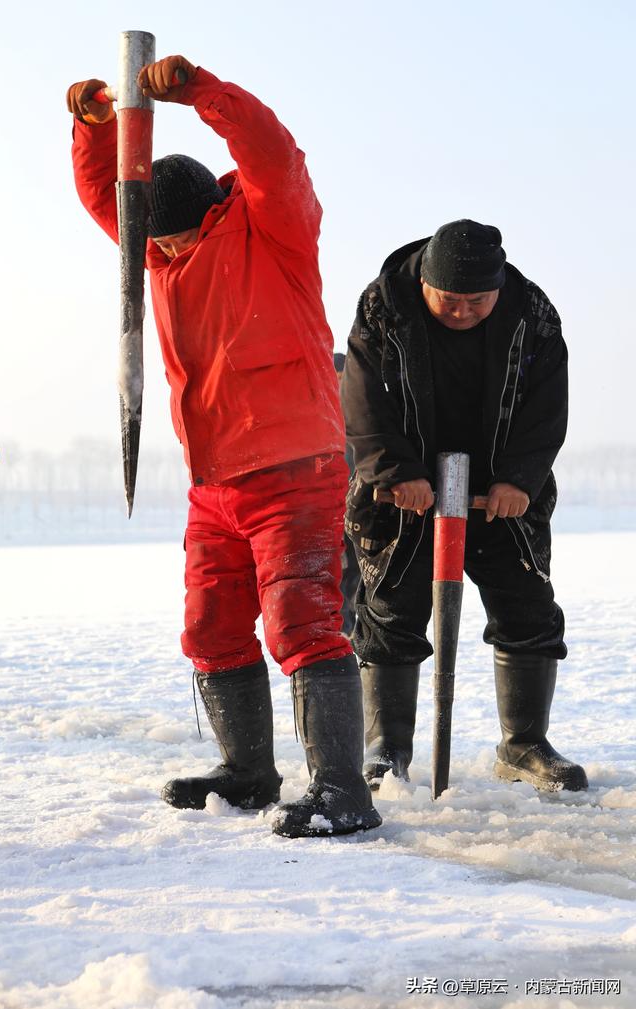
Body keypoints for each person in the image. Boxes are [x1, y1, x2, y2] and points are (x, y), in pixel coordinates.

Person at [66, 55, 380, 838]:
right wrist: (95, 126)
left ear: (208, 214)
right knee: (210, 626)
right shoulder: (154, 251)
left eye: (171, 242)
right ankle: (247, 771)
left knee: (302, 621)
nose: (160, 257)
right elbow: (106, 197)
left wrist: (202, 92)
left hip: (297, 464)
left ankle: (343, 790)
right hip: (214, 479)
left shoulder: (274, 224)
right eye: (155, 245)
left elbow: (273, 151)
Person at [341, 219, 587, 793]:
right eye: (449, 300)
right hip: (401, 494)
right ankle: (388, 748)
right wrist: (397, 472)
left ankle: (524, 744)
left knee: (527, 607)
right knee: (389, 611)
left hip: (501, 495)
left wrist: (518, 480)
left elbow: (547, 407)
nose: (461, 311)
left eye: (476, 302)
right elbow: (361, 395)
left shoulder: (535, 316)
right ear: (426, 282)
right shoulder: (383, 307)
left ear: (498, 289)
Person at [333, 352, 361, 637]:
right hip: (334, 507)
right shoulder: (323, 417)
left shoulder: (357, 414)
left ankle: (351, 628)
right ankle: (343, 628)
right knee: (341, 571)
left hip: (358, 504)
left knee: (355, 570)